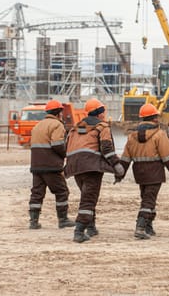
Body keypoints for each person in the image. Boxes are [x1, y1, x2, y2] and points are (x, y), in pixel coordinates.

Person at [116, 103, 169, 240]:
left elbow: (126, 158)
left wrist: (119, 175)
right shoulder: (159, 135)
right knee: (149, 201)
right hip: (154, 172)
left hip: (139, 173)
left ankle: (148, 226)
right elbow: (167, 156)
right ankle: (140, 227)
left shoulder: (132, 136)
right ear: (155, 118)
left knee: (147, 197)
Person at [64, 98, 124, 243]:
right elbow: (107, 148)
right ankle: (79, 230)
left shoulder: (76, 128)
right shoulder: (102, 127)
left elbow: (66, 146)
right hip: (91, 167)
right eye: (103, 111)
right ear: (100, 113)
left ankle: (91, 227)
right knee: (88, 199)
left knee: (87, 196)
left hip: (75, 167)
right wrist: (116, 165)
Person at [28, 99, 75, 230]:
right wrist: (66, 154)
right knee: (62, 191)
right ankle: (63, 219)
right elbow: (57, 144)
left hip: (36, 165)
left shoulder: (38, 125)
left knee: (37, 193)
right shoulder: (57, 125)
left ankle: (33, 221)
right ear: (59, 112)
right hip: (51, 166)